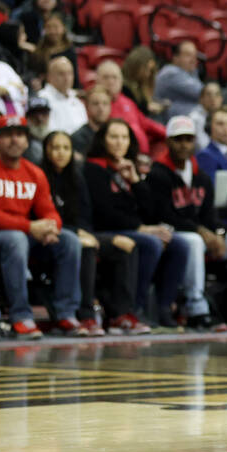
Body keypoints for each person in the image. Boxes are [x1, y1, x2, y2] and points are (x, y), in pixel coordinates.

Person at [146, 116, 227, 330]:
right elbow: (163, 215)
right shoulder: (158, 173)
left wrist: (219, 233)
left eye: (188, 139)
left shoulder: (201, 176)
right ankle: (197, 310)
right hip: (171, 234)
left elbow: (210, 213)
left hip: (201, 233)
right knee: (194, 241)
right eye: (178, 139)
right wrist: (201, 231)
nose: (183, 145)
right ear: (168, 142)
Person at [0, 115, 86, 338]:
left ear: (27, 141)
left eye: (19, 135)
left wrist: (50, 229)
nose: (14, 140)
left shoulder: (34, 173)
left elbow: (49, 212)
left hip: (20, 233)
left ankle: (65, 314)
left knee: (69, 240)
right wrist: (31, 228)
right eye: (7, 135)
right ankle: (21, 316)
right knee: (15, 239)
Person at [40, 130, 149, 335]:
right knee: (86, 245)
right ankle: (86, 315)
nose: (61, 153)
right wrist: (78, 233)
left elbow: (85, 214)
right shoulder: (40, 176)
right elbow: (42, 215)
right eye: (55, 148)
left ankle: (121, 314)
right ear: (45, 151)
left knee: (125, 245)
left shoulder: (76, 177)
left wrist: (84, 232)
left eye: (66, 148)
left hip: (81, 231)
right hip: (53, 235)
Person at [83, 119, 190, 327]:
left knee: (180, 244)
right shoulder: (93, 169)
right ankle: (135, 308)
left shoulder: (129, 168)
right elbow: (104, 213)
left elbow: (149, 211)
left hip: (132, 228)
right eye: (113, 137)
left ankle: (163, 308)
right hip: (106, 230)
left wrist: (136, 181)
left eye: (124, 137)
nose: (119, 142)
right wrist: (142, 228)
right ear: (102, 140)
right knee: (151, 243)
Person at [96, 60, 164, 155]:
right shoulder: (95, 105)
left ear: (121, 81)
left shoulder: (127, 101)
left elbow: (145, 123)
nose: (111, 81)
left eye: (115, 77)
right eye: (106, 77)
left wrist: (168, 133)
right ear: (97, 80)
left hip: (143, 154)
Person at [37, 57, 87, 135]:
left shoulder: (77, 101)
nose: (67, 78)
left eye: (70, 73)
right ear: (49, 77)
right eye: (61, 74)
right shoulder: (42, 99)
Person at [154, 40, 203, 120]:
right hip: (170, 123)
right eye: (188, 55)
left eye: (195, 55)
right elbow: (203, 94)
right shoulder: (171, 73)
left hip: (185, 119)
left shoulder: (189, 72)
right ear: (175, 57)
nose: (193, 60)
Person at [71, 85, 113, 155]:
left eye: (105, 103)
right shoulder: (77, 138)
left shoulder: (115, 135)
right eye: (95, 104)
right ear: (87, 107)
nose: (101, 109)